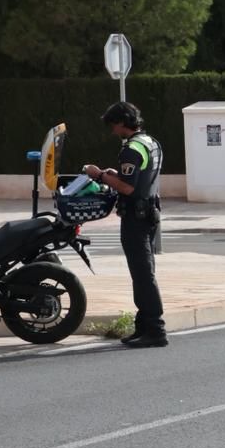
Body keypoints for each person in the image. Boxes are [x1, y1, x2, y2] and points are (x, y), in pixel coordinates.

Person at [82, 102, 167, 348]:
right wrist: (114, 174)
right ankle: (144, 326)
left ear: (121, 122)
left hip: (136, 218)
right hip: (149, 213)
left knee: (142, 275)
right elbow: (139, 178)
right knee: (144, 273)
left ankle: (155, 330)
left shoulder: (131, 149)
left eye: (113, 125)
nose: (112, 131)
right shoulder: (150, 142)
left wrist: (99, 175)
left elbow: (128, 187)